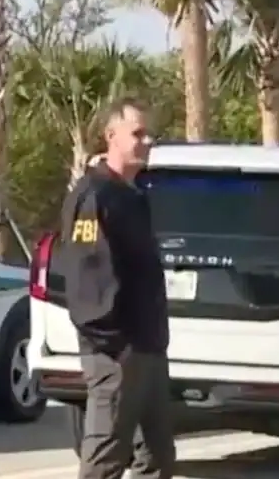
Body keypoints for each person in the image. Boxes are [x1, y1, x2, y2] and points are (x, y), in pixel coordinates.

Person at [56, 98, 174, 479]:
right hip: (117, 354)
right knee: (105, 461)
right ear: (111, 136)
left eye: (149, 134)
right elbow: (89, 284)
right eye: (138, 133)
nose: (147, 141)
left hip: (148, 348)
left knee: (156, 458)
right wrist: (117, 347)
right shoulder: (95, 196)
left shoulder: (132, 195)